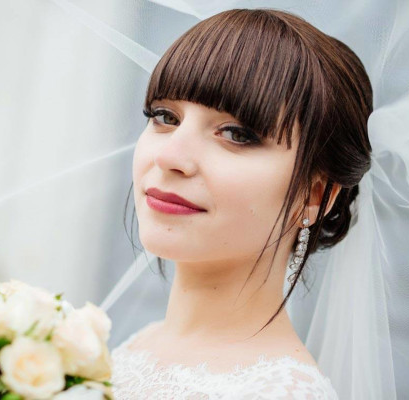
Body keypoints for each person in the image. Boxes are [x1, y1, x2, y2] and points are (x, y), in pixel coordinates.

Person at [109, 8, 372, 399]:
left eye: (235, 133)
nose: (170, 157)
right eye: (165, 116)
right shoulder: (135, 347)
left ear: (314, 195)